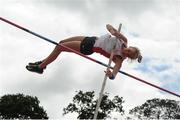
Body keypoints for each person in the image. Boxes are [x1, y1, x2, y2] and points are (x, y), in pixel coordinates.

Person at [26, 24, 142, 80]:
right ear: (130, 46)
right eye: (129, 50)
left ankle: (41, 67)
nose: (126, 52)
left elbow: (115, 70)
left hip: (88, 47)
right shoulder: (124, 40)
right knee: (60, 42)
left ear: (128, 57)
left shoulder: (119, 58)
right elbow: (108, 25)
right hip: (91, 39)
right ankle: (44, 63)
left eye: (128, 54)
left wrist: (111, 75)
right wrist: (113, 32)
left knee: (59, 47)